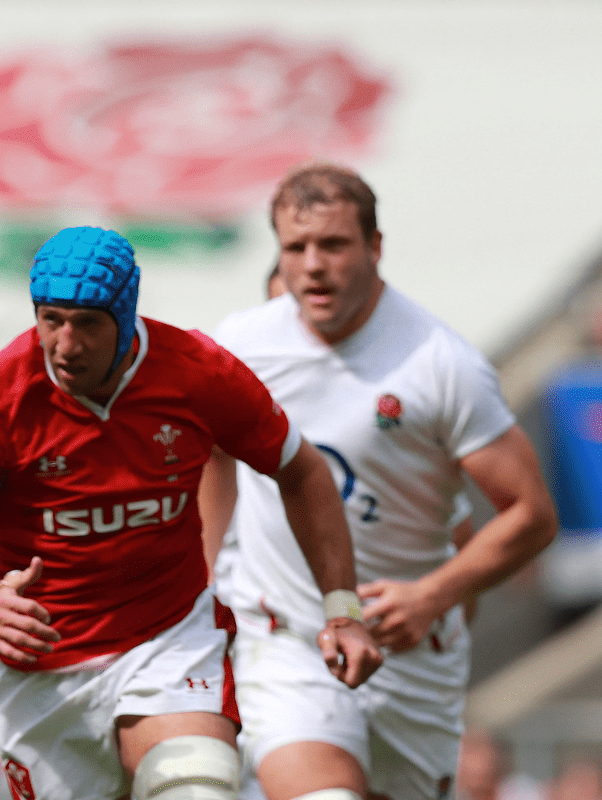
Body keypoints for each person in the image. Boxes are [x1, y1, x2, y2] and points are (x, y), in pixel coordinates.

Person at [0, 226, 381, 800]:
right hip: (44, 664)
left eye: (87, 322)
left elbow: (303, 471)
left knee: (195, 787)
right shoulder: (0, 395)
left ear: (125, 314)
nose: (65, 343)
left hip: (167, 640)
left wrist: (342, 609)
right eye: (51, 319)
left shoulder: (196, 372)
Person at [201, 164, 556, 800]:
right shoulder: (242, 345)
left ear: (375, 246)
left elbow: (530, 514)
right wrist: (200, 579)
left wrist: (432, 596)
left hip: (408, 648)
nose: (312, 266)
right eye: (295, 247)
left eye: (332, 245)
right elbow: (214, 456)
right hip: (289, 638)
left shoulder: (442, 364)